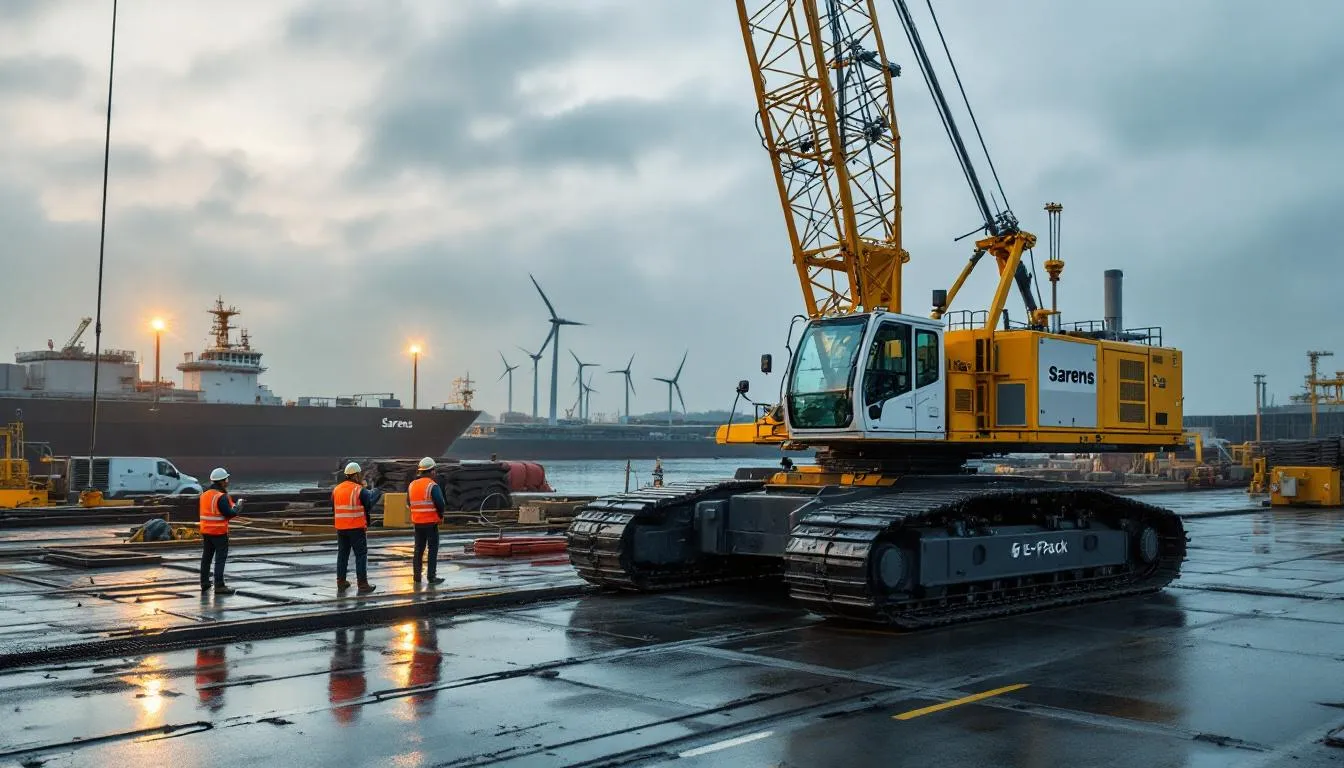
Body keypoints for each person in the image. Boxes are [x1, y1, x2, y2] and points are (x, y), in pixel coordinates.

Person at [333, 462, 380, 594]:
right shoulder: (359, 490)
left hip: (341, 528)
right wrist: (377, 491)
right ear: (356, 475)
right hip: (356, 528)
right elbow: (369, 503)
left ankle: (341, 581)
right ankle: (363, 584)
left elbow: (334, 509)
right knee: (361, 555)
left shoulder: (337, 489)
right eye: (360, 474)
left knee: (343, 554)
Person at [199, 467, 243, 594]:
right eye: (226, 479)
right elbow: (228, 513)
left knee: (206, 558)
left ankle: (204, 583)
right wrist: (237, 508)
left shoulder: (204, 495)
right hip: (218, 532)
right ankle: (219, 585)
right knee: (220, 559)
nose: (227, 481)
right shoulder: (221, 497)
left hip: (206, 531)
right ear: (222, 481)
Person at [407, 457, 447, 585]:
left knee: (418, 550)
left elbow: (409, 503)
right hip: (431, 523)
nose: (435, 473)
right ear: (431, 471)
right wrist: (440, 516)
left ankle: (417, 577)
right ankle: (431, 577)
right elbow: (440, 503)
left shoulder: (412, 485)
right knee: (432, 549)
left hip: (417, 523)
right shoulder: (432, 486)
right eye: (434, 470)